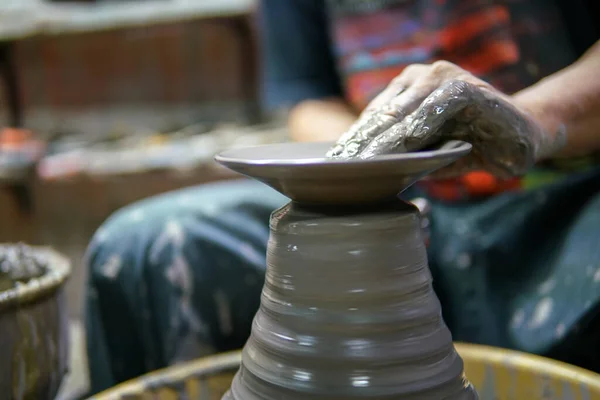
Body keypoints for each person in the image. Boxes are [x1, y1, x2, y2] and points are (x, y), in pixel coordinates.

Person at [84, 0, 600, 395]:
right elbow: (308, 99)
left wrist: (534, 116)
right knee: (143, 249)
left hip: (560, 203)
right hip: (403, 204)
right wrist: (371, 176)